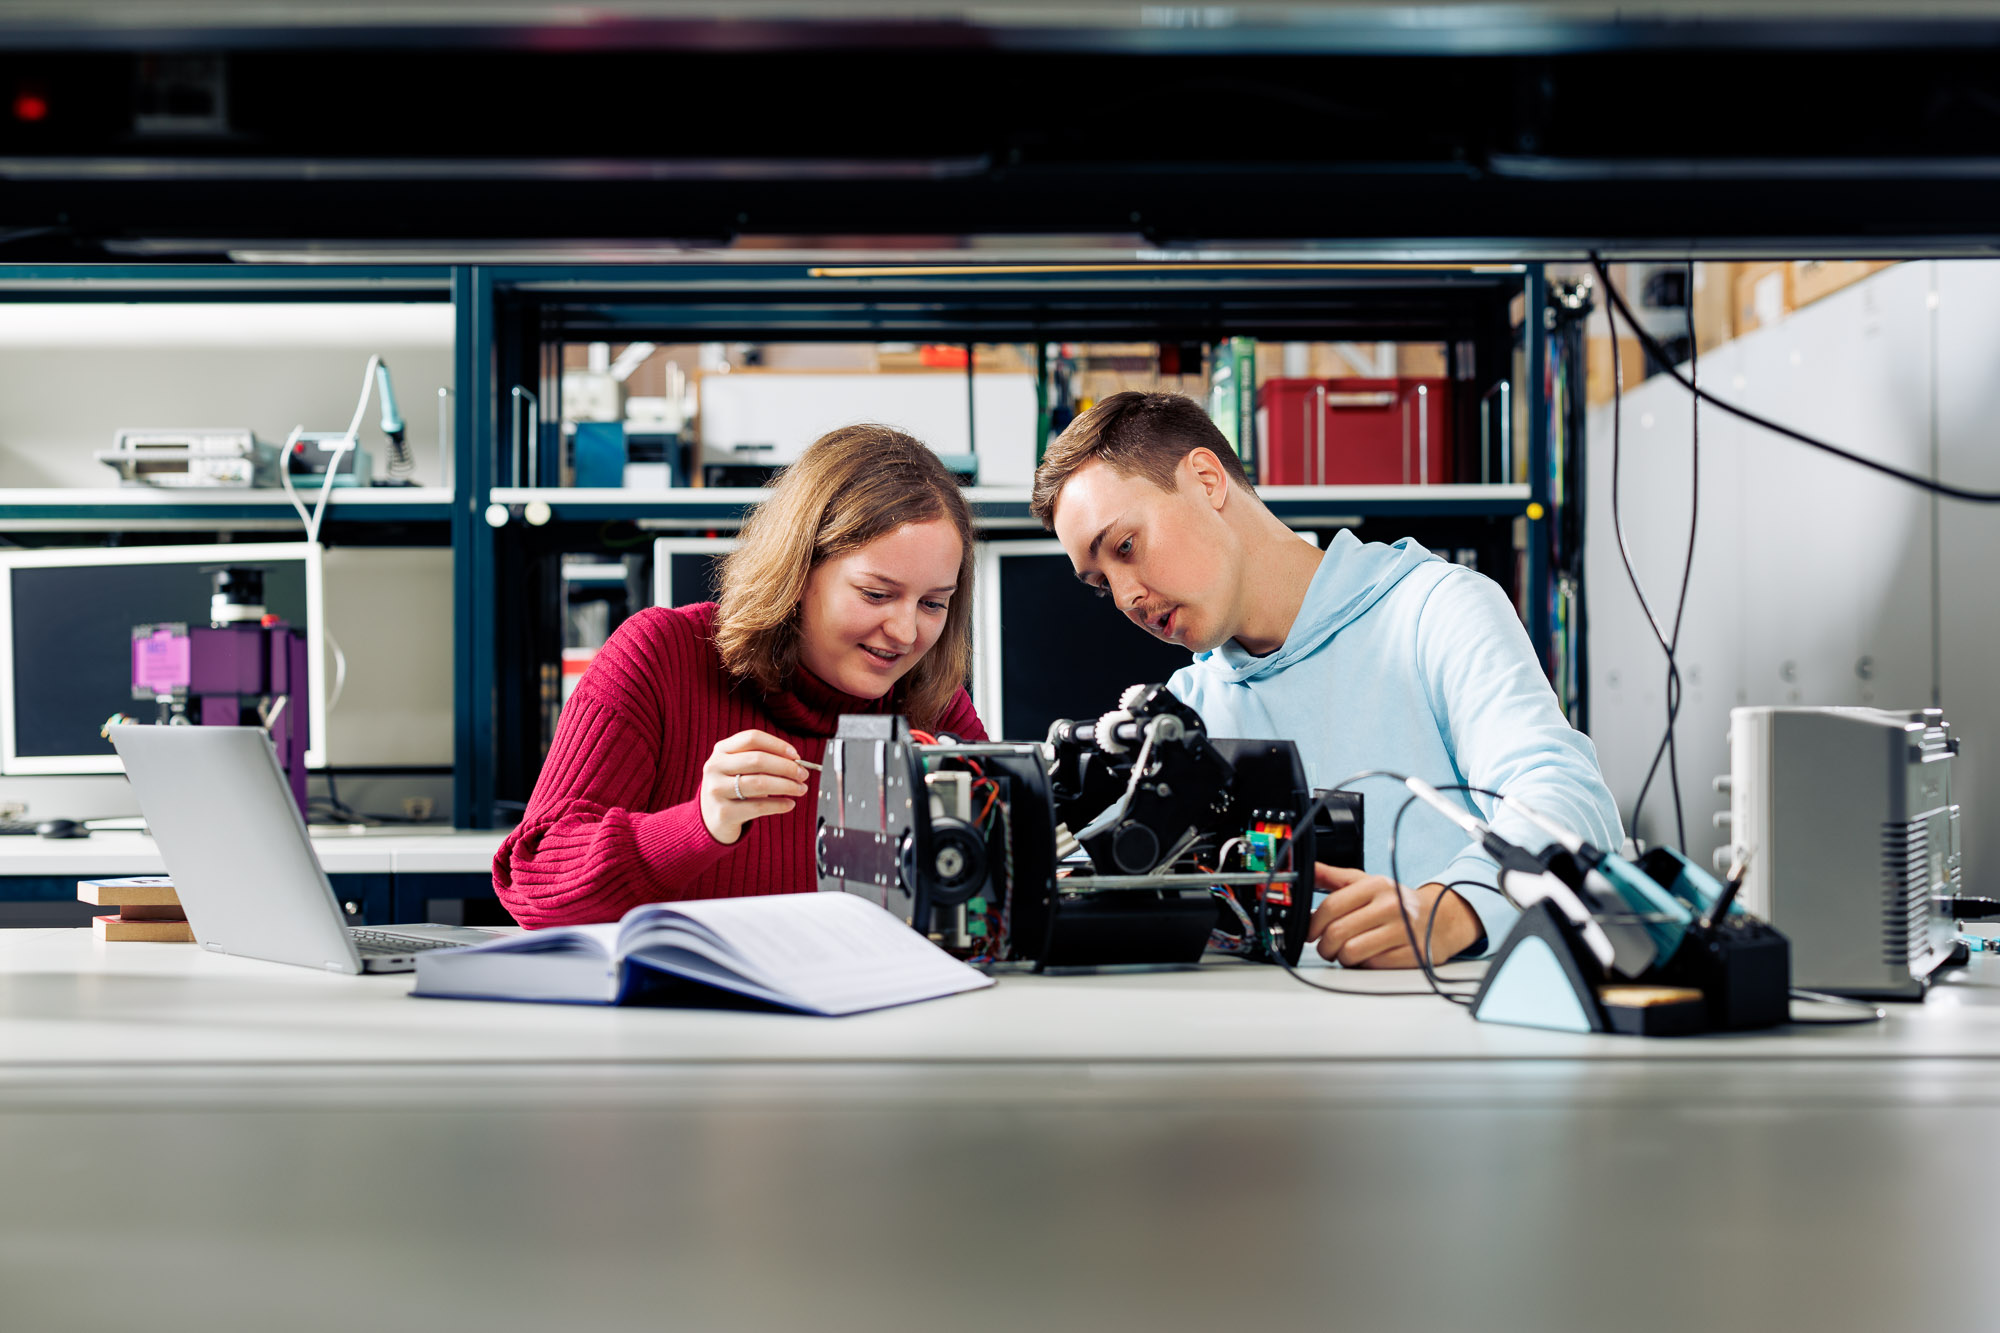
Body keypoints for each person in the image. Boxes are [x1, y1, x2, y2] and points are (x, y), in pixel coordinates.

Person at [1030, 390, 1621, 968]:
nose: (1126, 598)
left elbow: (1567, 801)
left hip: (1450, 1015)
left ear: (1207, 481)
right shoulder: (1186, 714)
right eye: (1101, 585)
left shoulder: (1433, 611)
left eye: (1126, 546)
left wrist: (1456, 907)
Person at [495, 424, 986, 928]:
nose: (905, 633)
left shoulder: (932, 703)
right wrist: (699, 824)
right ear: (798, 572)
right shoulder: (660, 656)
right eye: (876, 595)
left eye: (933, 604)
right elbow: (532, 881)